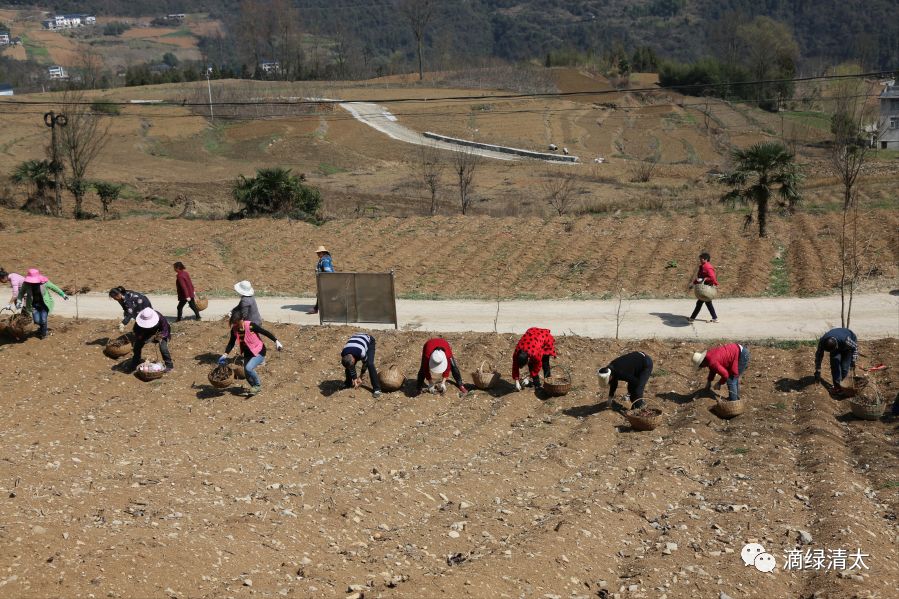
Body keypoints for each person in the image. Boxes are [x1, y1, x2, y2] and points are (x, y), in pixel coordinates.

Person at [219, 309, 283, 396]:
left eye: (237, 322)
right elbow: (231, 343)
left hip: (259, 351)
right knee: (246, 373)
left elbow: (265, 332)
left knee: (249, 368)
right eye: (234, 323)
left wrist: (276, 341)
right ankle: (254, 387)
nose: (236, 324)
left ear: (242, 319)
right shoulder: (234, 330)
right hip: (248, 353)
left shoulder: (250, 326)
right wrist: (225, 354)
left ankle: (257, 385)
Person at [16, 268, 67, 339]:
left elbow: (54, 287)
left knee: (43, 320)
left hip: (44, 304)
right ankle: (42, 328)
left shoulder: (44, 282)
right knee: (37, 321)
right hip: (33, 305)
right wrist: (19, 301)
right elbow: (21, 292)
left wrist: (63, 294)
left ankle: (43, 334)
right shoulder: (26, 284)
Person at [126, 307, 173, 373]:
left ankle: (169, 365)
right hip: (145, 332)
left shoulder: (160, 318)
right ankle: (135, 362)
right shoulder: (139, 320)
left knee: (163, 348)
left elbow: (165, 330)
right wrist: (140, 337)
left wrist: (159, 336)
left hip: (159, 332)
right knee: (137, 346)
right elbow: (136, 331)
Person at [814, 328, 858, 394]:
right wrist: (818, 369)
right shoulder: (822, 342)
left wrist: (853, 360)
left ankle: (844, 386)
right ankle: (837, 387)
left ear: (836, 345)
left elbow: (855, 347)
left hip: (847, 347)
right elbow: (819, 355)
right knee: (835, 365)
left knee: (845, 367)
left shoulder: (846, 340)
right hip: (837, 346)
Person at [512, 327, 556, 391]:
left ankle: (548, 383)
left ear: (528, 359)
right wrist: (516, 381)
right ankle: (537, 384)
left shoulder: (535, 353)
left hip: (544, 337)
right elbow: (515, 367)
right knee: (531, 365)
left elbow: (538, 366)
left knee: (545, 363)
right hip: (532, 337)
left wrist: (528, 377)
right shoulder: (516, 354)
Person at [341, 333, 381, 397]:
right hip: (356, 340)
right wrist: (354, 378)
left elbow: (365, 363)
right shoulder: (344, 353)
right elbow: (350, 365)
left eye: (353, 363)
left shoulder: (361, 353)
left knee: (370, 364)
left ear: (354, 359)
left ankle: (377, 389)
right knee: (348, 365)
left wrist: (361, 376)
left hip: (369, 340)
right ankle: (348, 383)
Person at [688, 252, 719, 323]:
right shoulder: (703, 266)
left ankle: (692, 318)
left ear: (706, 259)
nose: (700, 260)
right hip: (704, 288)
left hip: (706, 288)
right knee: (707, 303)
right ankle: (715, 318)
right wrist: (694, 283)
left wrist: (704, 279)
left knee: (700, 303)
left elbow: (712, 278)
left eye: (701, 259)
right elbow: (700, 278)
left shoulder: (707, 267)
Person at [308, 245, 334, 315]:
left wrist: (323, 276)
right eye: (317, 253)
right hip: (327, 280)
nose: (317, 254)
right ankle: (319, 308)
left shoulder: (324, 260)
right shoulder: (325, 259)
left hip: (326, 280)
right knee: (322, 294)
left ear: (322, 253)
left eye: (319, 253)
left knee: (321, 294)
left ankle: (316, 309)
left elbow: (327, 270)